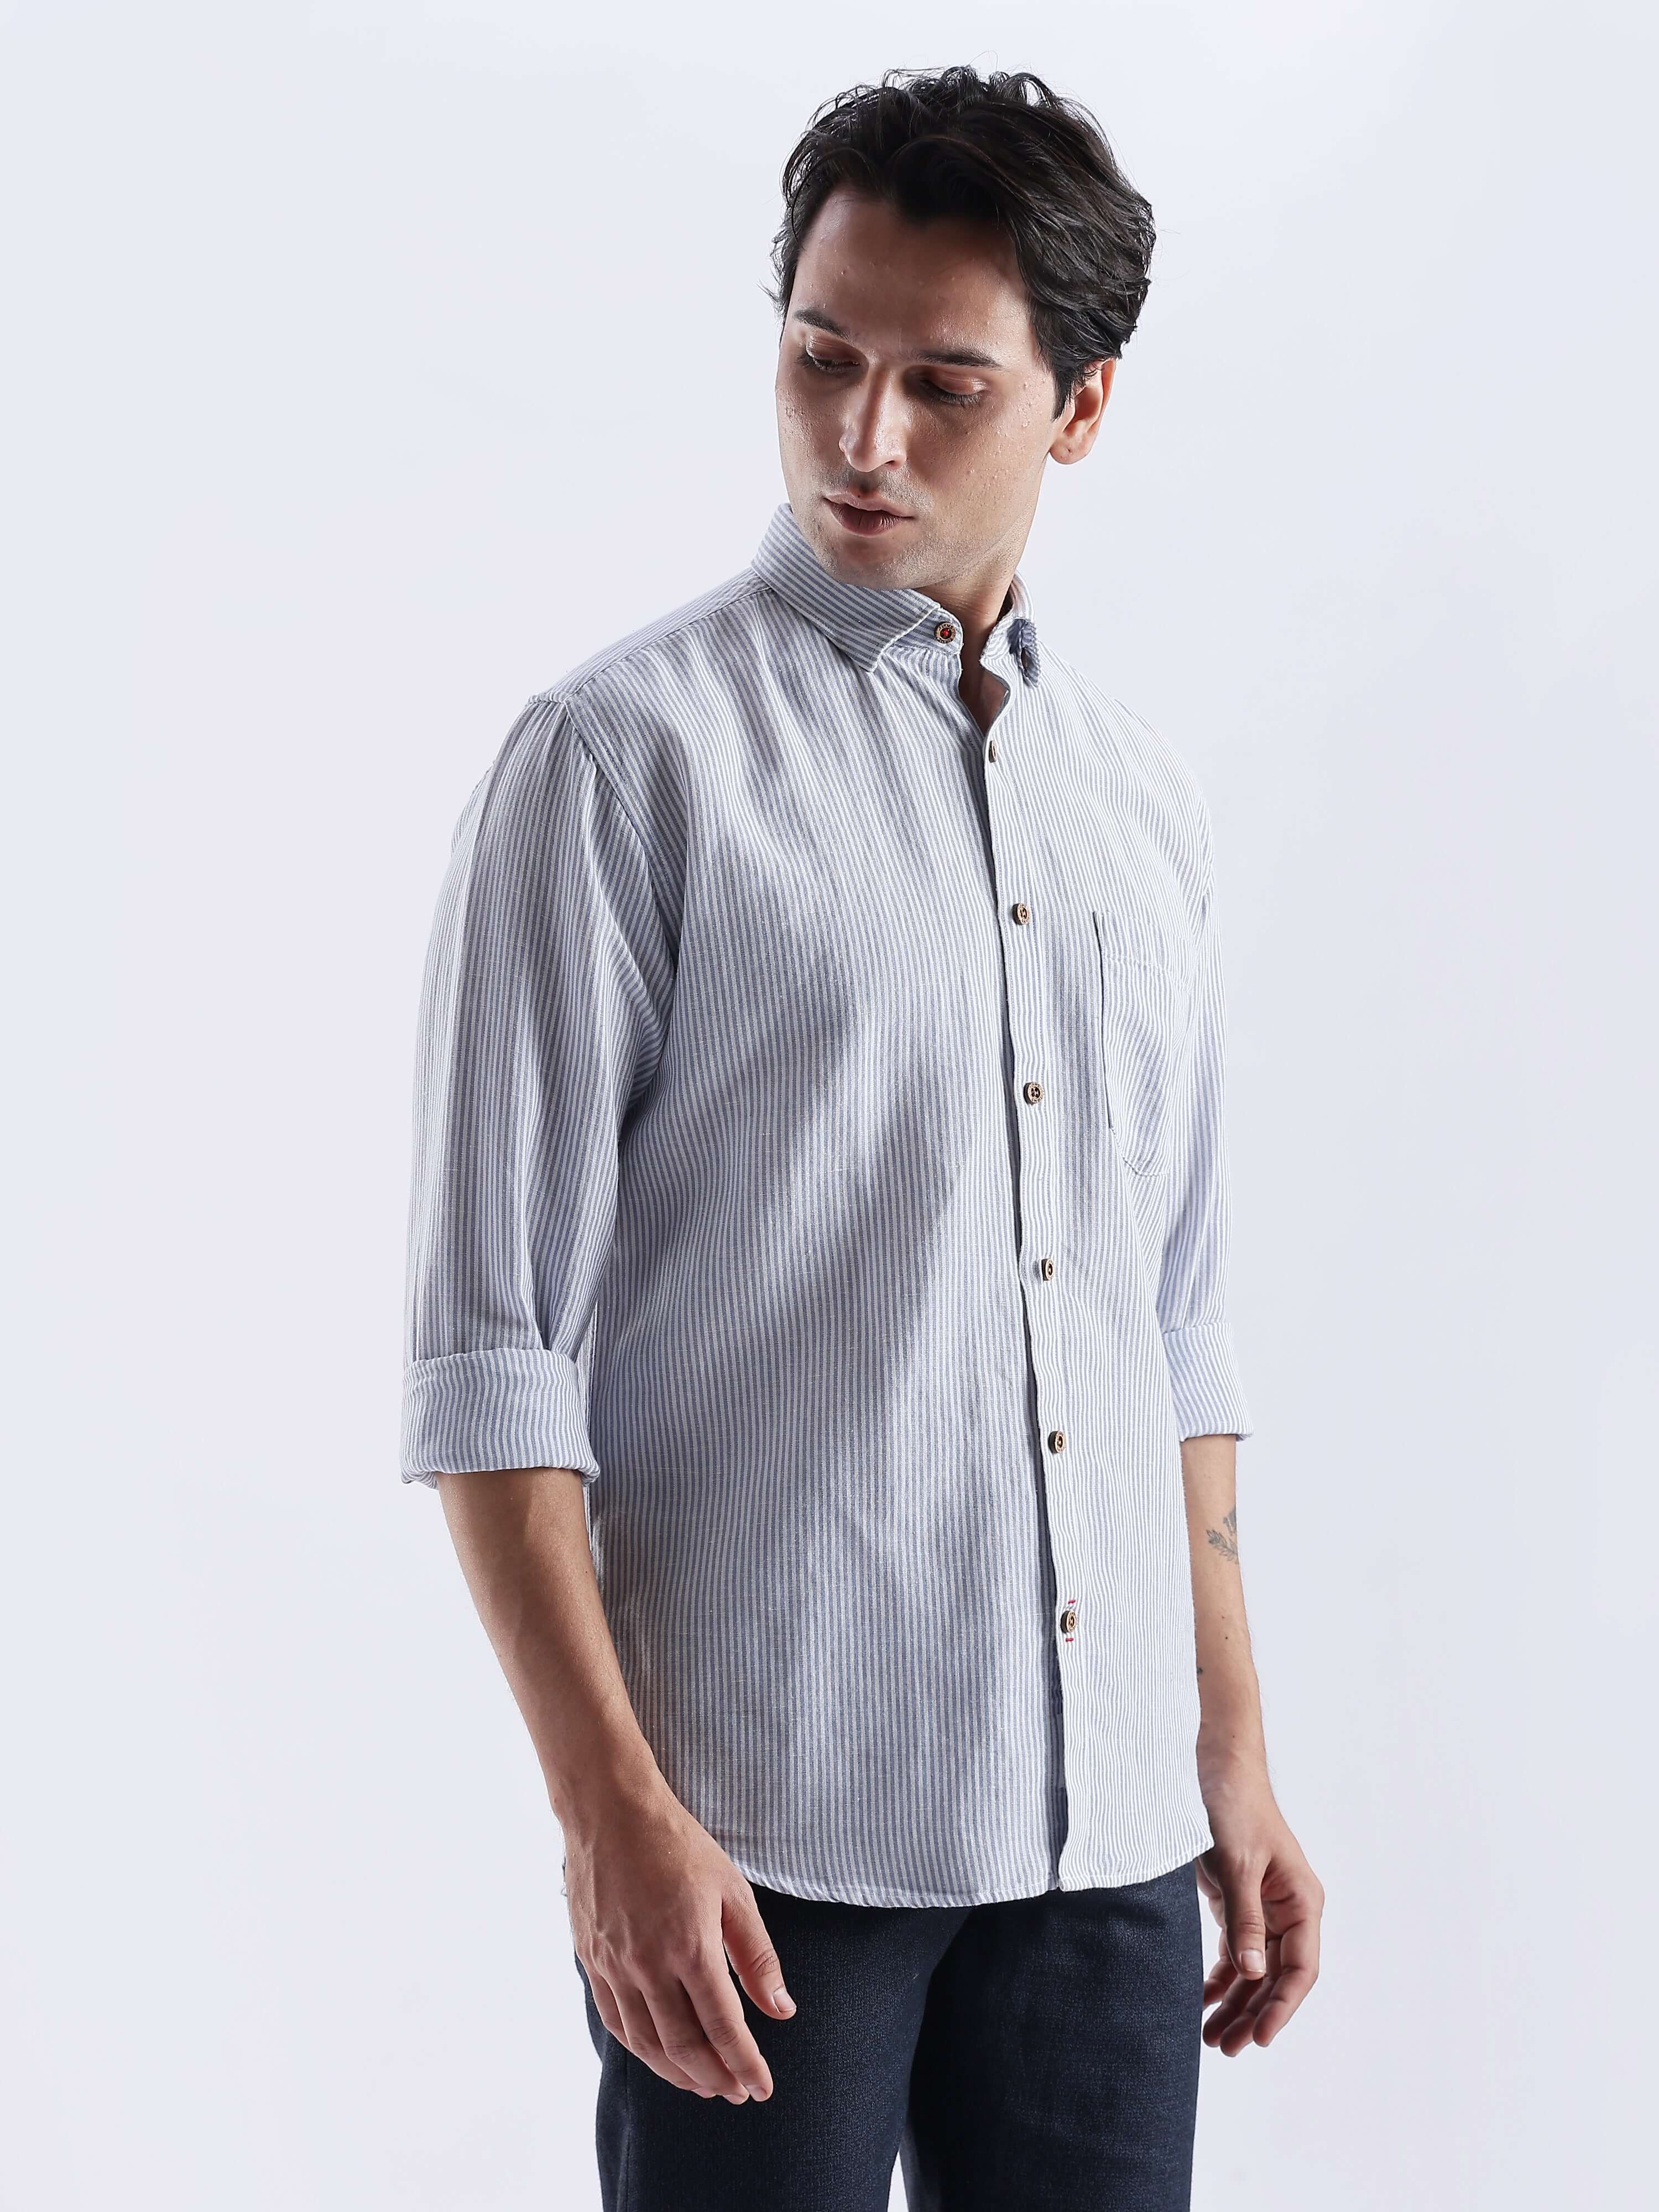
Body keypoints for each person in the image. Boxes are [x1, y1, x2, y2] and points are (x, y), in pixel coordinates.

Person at [400, 62, 1323, 2212]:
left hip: (1107, 1842)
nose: (865, 437)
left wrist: (1232, 1749)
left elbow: (1171, 1323)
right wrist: (608, 1817)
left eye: (945, 384)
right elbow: (491, 1365)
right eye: (821, 358)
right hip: (759, 1845)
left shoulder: (1142, 804)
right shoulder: (616, 767)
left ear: (1081, 406)